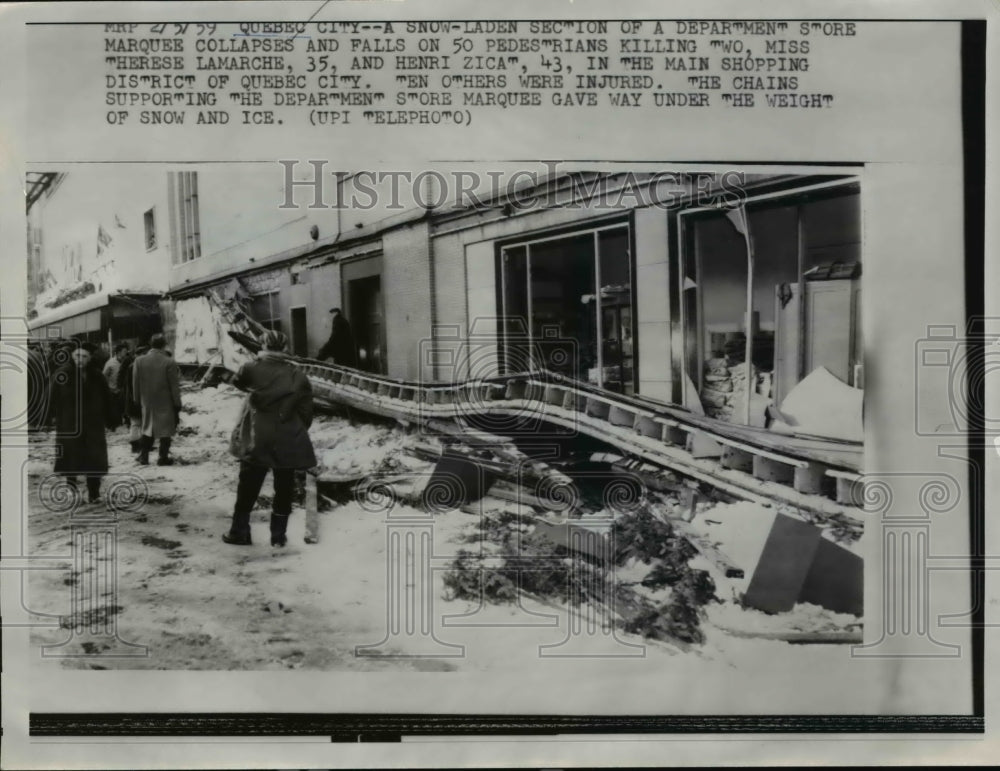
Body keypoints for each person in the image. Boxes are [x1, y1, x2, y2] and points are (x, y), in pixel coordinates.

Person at [224, 330, 316, 547]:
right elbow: (306, 413)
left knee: (247, 485)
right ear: (285, 347)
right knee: (284, 488)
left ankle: (239, 532)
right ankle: (278, 536)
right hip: (287, 436)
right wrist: (293, 427)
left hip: (257, 435)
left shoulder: (250, 368)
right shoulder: (298, 376)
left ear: (263, 345)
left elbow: (238, 382)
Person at [48, 342, 116, 504]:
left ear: (90, 358)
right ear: (72, 356)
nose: (80, 359)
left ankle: (94, 493)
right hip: (69, 424)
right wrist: (50, 416)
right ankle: (71, 489)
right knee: (71, 457)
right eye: (77, 356)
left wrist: (111, 419)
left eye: (84, 357)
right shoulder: (62, 374)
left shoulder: (97, 375)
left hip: (93, 425)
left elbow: (107, 399)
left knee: (94, 458)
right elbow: (51, 397)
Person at [132, 333, 182, 466]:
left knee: (147, 428)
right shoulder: (169, 361)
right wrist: (177, 403)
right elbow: (174, 386)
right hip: (165, 401)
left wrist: (137, 400)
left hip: (147, 401)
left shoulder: (139, 360)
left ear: (150, 344)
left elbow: (135, 383)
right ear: (164, 345)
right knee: (166, 431)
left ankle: (144, 456)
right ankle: (163, 457)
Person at [120, 345, 145, 452]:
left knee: (140, 423)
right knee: (135, 423)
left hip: (136, 399)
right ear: (136, 355)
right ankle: (135, 445)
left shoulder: (136, 366)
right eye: (142, 354)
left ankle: (141, 443)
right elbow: (131, 386)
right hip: (134, 399)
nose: (144, 356)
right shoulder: (133, 367)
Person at [102, 343, 128, 427]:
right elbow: (104, 377)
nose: (126, 352)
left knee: (124, 410)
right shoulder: (110, 363)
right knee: (115, 412)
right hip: (113, 391)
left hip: (123, 391)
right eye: (124, 351)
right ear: (118, 352)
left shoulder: (126, 362)